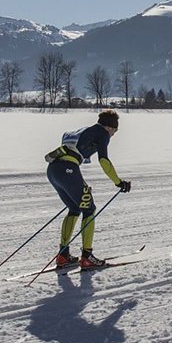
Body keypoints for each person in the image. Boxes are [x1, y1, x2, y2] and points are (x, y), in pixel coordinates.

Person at [43, 110, 131, 270]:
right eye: (115, 131)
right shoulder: (102, 133)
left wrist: (80, 184)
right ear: (110, 127)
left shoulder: (83, 130)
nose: (114, 135)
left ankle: (63, 255)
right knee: (89, 209)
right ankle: (87, 257)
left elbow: (70, 156)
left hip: (53, 170)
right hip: (67, 170)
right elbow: (104, 160)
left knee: (75, 208)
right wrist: (119, 182)